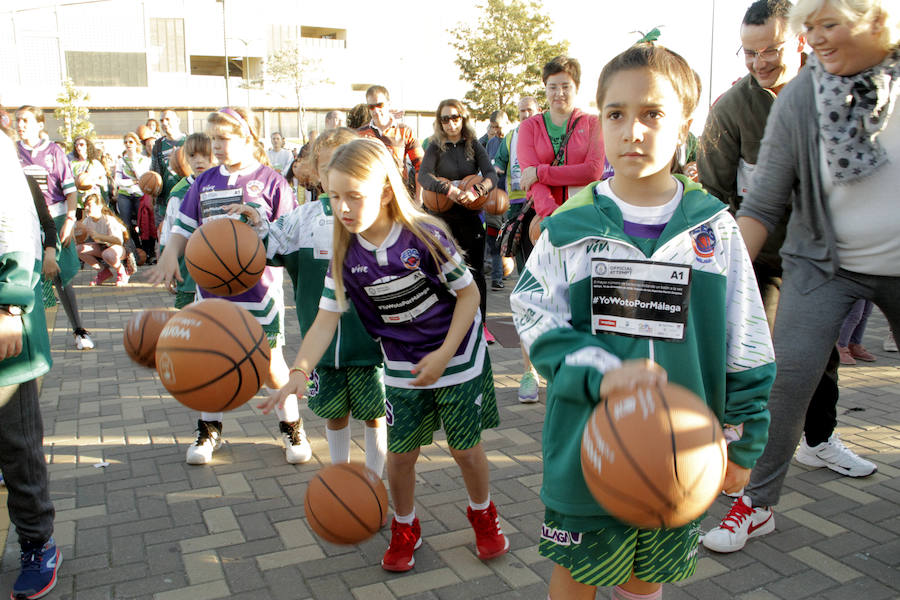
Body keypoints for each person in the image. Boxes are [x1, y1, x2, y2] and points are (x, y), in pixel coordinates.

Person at [511, 41, 776, 600]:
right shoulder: (571, 225)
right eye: (617, 114)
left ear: (685, 125)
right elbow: (533, 312)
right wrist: (599, 372)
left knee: (644, 579)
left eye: (653, 114)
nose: (633, 130)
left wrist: (743, 442)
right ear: (599, 121)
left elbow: (747, 341)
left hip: (684, 455)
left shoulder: (715, 230)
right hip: (588, 449)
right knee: (576, 579)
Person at [704, 0, 897, 554]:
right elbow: (756, 203)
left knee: (819, 374)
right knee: (783, 378)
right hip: (814, 261)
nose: (818, 39)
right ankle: (755, 504)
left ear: (877, 20)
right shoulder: (797, 100)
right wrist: (722, 280)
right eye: (811, 27)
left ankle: (822, 439)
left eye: (828, 25)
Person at [267, 137, 508, 572]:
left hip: (456, 355)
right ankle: (404, 525)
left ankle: (483, 513)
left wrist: (443, 355)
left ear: (382, 190)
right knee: (400, 456)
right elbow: (325, 320)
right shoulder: (345, 254)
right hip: (400, 364)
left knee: (465, 449)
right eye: (334, 196)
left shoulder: (425, 235)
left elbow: (470, 296)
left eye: (353, 196)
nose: (342, 207)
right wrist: (299, 371)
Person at [149, 106, 312, 466]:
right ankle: (209, 429)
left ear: (248, 138)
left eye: (224, 139)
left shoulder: (271, 181)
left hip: (260, 293)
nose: (217, 147)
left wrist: (258, 228)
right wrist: (169, 255)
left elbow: (289, 233)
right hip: (213, 294)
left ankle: (291, 426)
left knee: (270, 364)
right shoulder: (204, 182)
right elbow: (184, 227)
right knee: (212, 360)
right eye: (213, 139)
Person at [250, 127, 388, 477]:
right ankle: (341, 478)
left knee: (374, 414)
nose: (332, 176)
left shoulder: (372, 220)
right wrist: (251, 224)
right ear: (314, 172)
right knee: (333, 413)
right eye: (325, 168)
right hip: (321, 350)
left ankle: (374, 479)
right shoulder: (302, 219)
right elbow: (266, 246)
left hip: (371, 346)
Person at [0, 133, 60, 600]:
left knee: (15, 441)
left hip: (3, 318)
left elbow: (16, 225)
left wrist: (11, 305)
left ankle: (38, 544)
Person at [417, 99, 499, 344]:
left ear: (463, 118)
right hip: (441, 219)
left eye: (455, 117)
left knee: (475, 272)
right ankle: (443, 323)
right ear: (439, 122)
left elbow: (491, 175)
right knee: (439, 270)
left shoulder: (473, 145)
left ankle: (481, 323)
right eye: (445, 118)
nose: (451, 123)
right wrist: (448, 190)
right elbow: (423, 176)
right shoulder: (435, 146)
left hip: (470, 216)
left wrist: (477, 191)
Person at [15, 105, 94, 350]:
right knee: (26, 276)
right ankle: (30, 336)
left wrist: (70, 221)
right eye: (18, 120)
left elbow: (71, 192)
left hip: (55, 219)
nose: (20, 124)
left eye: (26, 120)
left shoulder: (53, 151)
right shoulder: (11, 151)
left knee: (61, 276)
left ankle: (79, 330)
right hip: (24, 222)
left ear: (40, 124)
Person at [493, 96, 543, 403]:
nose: (525, 115)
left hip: (554, 214)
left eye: (530, 111)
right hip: (519, 211)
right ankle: (529, 372)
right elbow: (496, 166)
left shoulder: (550, 134)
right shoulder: (511, 137)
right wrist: (491, 185)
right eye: (521, 111)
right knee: (528, 293)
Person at [517, 56, 606, 219]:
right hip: (543, 217)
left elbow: (593, 171)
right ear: (545, 89)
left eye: (566, 87)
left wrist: (540, 172)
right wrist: (552, 215)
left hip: (585, 214)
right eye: (552, 87)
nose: (559, 93)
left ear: (576, 88)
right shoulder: (529, 127)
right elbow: (531, 179)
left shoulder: (593, 124)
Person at [159, 133, 214, 309]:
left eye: (205, 155)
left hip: (220, 275)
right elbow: (168, 234)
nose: (199, 161)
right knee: (186, 329)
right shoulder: (179, 193)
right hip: (189, 278)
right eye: (193, 155)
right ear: (185, 158)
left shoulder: (227, 186)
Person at [357, 85, 424, 181]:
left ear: (388, 104)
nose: (376, 110)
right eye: (371, 106)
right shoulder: (359, 134)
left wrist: (419, 196)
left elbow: (421, 166)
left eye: (380, 105)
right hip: (370, 188)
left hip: (400, 190)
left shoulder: (405, 131)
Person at [76, 193, 131, 286]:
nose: (86, 208)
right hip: (103, 247)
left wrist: (98, 236)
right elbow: (81, 237)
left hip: (120, 248)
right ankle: (103, 272)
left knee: (107, 254)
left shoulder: (108, 219)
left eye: (90, 205)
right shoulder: (87, 220)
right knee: (78, 249)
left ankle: (122, 271)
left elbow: (118, 241)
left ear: (99, 206)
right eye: (85, 206)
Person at [150, 110, 187, 224]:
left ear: (177, 121)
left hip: (187, 196)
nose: (164, 123)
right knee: (165, 237)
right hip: (165, 200)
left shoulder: (189, 141)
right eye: (161, 120)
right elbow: (154, 173)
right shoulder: (158, 145)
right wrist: (151, 185)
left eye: (168, 119)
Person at [114, 131, 151, 245]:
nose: (128, 144)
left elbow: (142, 177)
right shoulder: (121, 161)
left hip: (139, 194)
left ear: (136, 143)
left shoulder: (144, 160)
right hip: (124, 195)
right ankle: (133, 247)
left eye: (131, 142)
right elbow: (117, 181)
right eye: (126, 142)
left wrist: (133, 160)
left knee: (143, 223)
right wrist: (132, 181)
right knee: (126, 224)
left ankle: (146, 249)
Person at [70, 136, 107, 211]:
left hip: (92, 198)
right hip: (77, 199)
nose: (79, 147)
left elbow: (104, 181)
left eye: (81, 144)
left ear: (87, 146)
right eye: (76, 145)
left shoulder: (95, 163)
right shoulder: (72, 164)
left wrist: (91, 181)